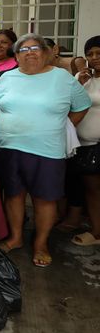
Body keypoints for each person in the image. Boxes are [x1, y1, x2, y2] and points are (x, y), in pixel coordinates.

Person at [0, 33, 91, 267]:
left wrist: (64, 127)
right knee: (13, 195)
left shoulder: (62, 78)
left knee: (45, 198)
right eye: (23, 49)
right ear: (16, 56)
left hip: (47, 150)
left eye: (35, 49)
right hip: (9, 147)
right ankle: (16, 238)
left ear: (45, 53)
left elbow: (82, 106)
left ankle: (41, 243)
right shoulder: (7, 77)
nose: (30, 53)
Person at [72, 36, 100, 247]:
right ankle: (97, 231)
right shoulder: (85, 79)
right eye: (90, 54)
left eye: (99, 53)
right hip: (84, 145)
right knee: (91, 190)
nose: (94, 58)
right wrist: (78, 82)